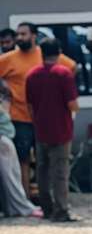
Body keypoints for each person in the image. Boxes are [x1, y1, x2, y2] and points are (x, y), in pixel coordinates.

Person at [0, 22, 76, 198]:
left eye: (23, 34)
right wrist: (3, 85)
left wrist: (61, 93)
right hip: (20, 117)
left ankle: (48, 199)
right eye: (18, 34)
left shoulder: (44, 55)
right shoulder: (9, 58)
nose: (19, 38)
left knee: (46, 162)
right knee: (23, 159)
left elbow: (72, 67)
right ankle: (25, 198)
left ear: (34, 35)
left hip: (44, 119)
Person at [26, 37, 79, 221]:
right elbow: (72, 104)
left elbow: (30, 107)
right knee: (60, 173)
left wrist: (38, 122)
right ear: (59, 52)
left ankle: (46, 209)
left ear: (41, 52)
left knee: (42, 172)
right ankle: (61, 210)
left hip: (41, 130)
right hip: (61, 131)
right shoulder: (63, 73)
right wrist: (76, 110)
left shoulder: (31, 75)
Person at [0, 78, 43, 218]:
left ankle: (15, 207)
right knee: (11, 177)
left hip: (5, 138)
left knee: (12, 175)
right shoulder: (3, 102)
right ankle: (22, 208)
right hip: (3, 139)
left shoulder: (4, 101)